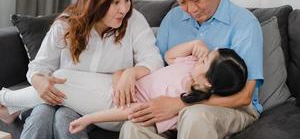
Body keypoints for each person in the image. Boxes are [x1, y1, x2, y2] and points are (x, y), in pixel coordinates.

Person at [0, 0, 164, 139]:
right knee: (45, 115)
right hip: (65, 102)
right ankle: (10, 104)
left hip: (112, 103)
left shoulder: (134, 21)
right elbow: (39, 66)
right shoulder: (66, 24)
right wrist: (39, 82)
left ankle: (6, 99)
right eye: (116, 1)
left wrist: (130, 73)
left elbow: (154, 60)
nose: (124, 8)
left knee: (63, 77)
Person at [119, 0, 264, 139]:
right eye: (182, 2)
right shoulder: (172, 19)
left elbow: (244, 96)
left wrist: (179, 104)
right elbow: (156, 66)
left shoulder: (244, 23)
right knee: (133, 127)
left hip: (232, 107)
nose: (191, 9)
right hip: (175, 104)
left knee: (194, 115)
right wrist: (129, 74)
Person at [68, 40, 248, 135]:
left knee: (61, 82)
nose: (202, 56)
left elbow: (131, 111)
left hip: (119, 101)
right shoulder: (192, 64)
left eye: (205, 60)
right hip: (119, 82)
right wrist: (194, 44)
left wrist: (89, 119)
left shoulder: (184, 97)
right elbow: (169, 56)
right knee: (61, 83)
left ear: (208, 82)